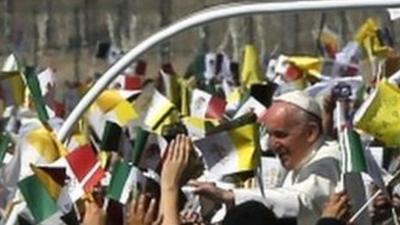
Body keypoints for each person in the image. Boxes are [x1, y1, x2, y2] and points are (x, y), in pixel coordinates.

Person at [190, 90, 342, 225]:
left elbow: (302, 199)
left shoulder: (328, 160)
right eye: (269, 134)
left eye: (280, 135)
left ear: (311, 132)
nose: (270, 144)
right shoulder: (302, 157)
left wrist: (229, 195)